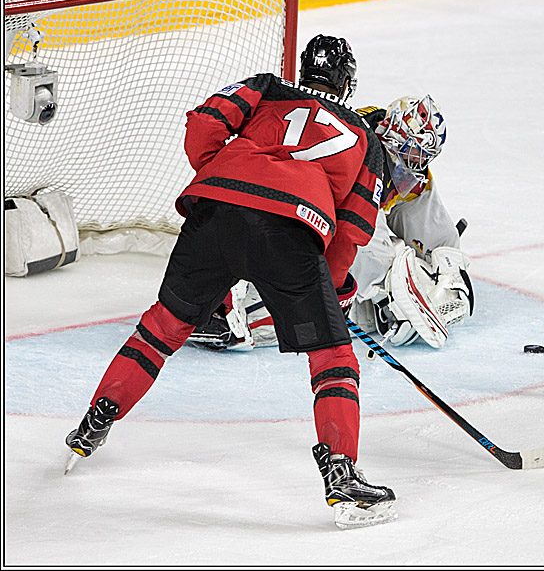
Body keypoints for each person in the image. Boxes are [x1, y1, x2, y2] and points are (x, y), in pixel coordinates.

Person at [64, 35, 398, 529]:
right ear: (347, 83)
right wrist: (330, 293)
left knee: (161, 329)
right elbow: (350, 233)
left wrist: (221, 174)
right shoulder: (369, 142)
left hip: (215, 210)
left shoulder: (266, 87)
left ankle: (96, 420)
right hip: (290, 230)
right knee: (332, 355)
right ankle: (341, 473)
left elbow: (204, 122)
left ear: (303, 69)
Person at [188, 84, 472, 351]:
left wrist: (449, 271)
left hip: (271, 204)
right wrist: (389, 290)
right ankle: (228, 312)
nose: (414, 162)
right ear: (392, 133)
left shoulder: (395, 151)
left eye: (421, 157)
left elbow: (431, 227)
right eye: (410, 152)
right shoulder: (364, 148)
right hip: (288, 210)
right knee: (335, 278)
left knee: (408, 254)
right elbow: (361, 237)